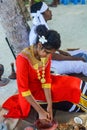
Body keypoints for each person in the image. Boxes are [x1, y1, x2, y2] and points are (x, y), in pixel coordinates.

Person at [2, 25, 87, 122]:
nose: (48, 56)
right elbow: (23, 89)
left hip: (44, 83)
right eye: (47, 52)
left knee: (73, 83)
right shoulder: (22, 59)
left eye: (50, 53)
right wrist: (40, 111)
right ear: (39, 45)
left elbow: (46, 80)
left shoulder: (46, 54)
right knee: (68, 95)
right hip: (31, 92)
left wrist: (50, 106)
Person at [29, 1, 87, 76]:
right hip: (49, 65)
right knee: (82, 65)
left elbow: (51, 49)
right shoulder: (39, 32)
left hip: (53, 57)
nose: (50, 11)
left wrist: (62, 52)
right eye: (47, 10)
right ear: (41, 14)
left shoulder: (40, 27)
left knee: (84, 52)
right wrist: (73, 58)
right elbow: (51, 55)